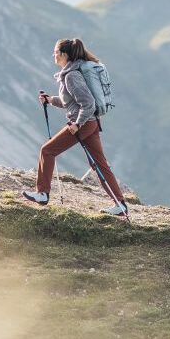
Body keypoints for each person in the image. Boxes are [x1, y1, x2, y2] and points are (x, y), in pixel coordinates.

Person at [22, 38, 127, 217]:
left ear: (64, 54)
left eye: (55, 52)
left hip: (82, 125)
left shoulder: (71, 75)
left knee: (47, 151)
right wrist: (50, 100)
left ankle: (42, 194)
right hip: (91, 123)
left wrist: (77, 124)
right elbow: (70, 102)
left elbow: (88, 103)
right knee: (99, 165)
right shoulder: (72, 72)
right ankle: (120, 204)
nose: (53, 55)